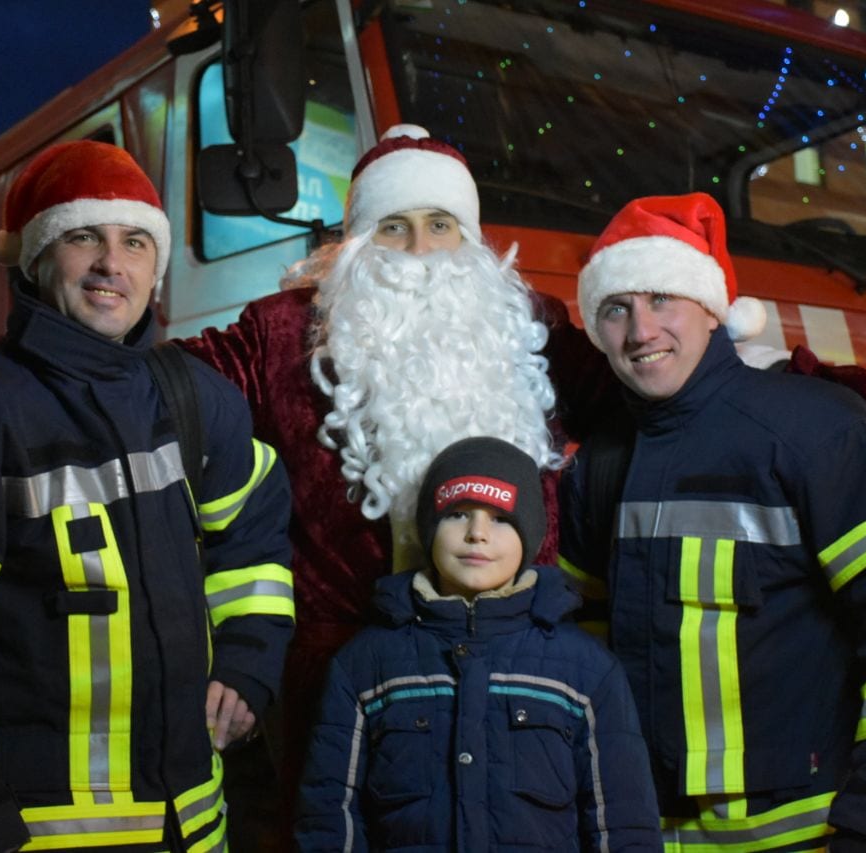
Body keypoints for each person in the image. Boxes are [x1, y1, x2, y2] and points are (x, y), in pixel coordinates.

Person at [0, 140, 295, 853]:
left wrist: (249, 658)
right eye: (84, 237)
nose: (113, 264)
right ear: (37, 257)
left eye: (135, 241)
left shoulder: (197, 402)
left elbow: (254, 532)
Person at [178, 124, 603, 826]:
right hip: (341, 686)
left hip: (517, 679)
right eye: (393, 227)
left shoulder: (527, 326)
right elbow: (162, 389)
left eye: (441, 225)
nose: (418, 251)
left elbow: (656, 395)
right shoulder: (285, 332)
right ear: (354, 245)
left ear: (470, 240)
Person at [559, 192, 866, 851]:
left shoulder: (819, 432)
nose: (641, 331)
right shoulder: (601, 466)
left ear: (708, 305)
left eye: (661, 298)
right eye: (616, 308)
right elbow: (575, 652)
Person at [296, 436, 661, 851]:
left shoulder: (587, 669)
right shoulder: (365, 664)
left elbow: (624, 823)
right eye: (457, 514)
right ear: (428, 529)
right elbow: (329, 814)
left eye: (501, 519)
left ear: (531, 535)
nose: (477, 534)